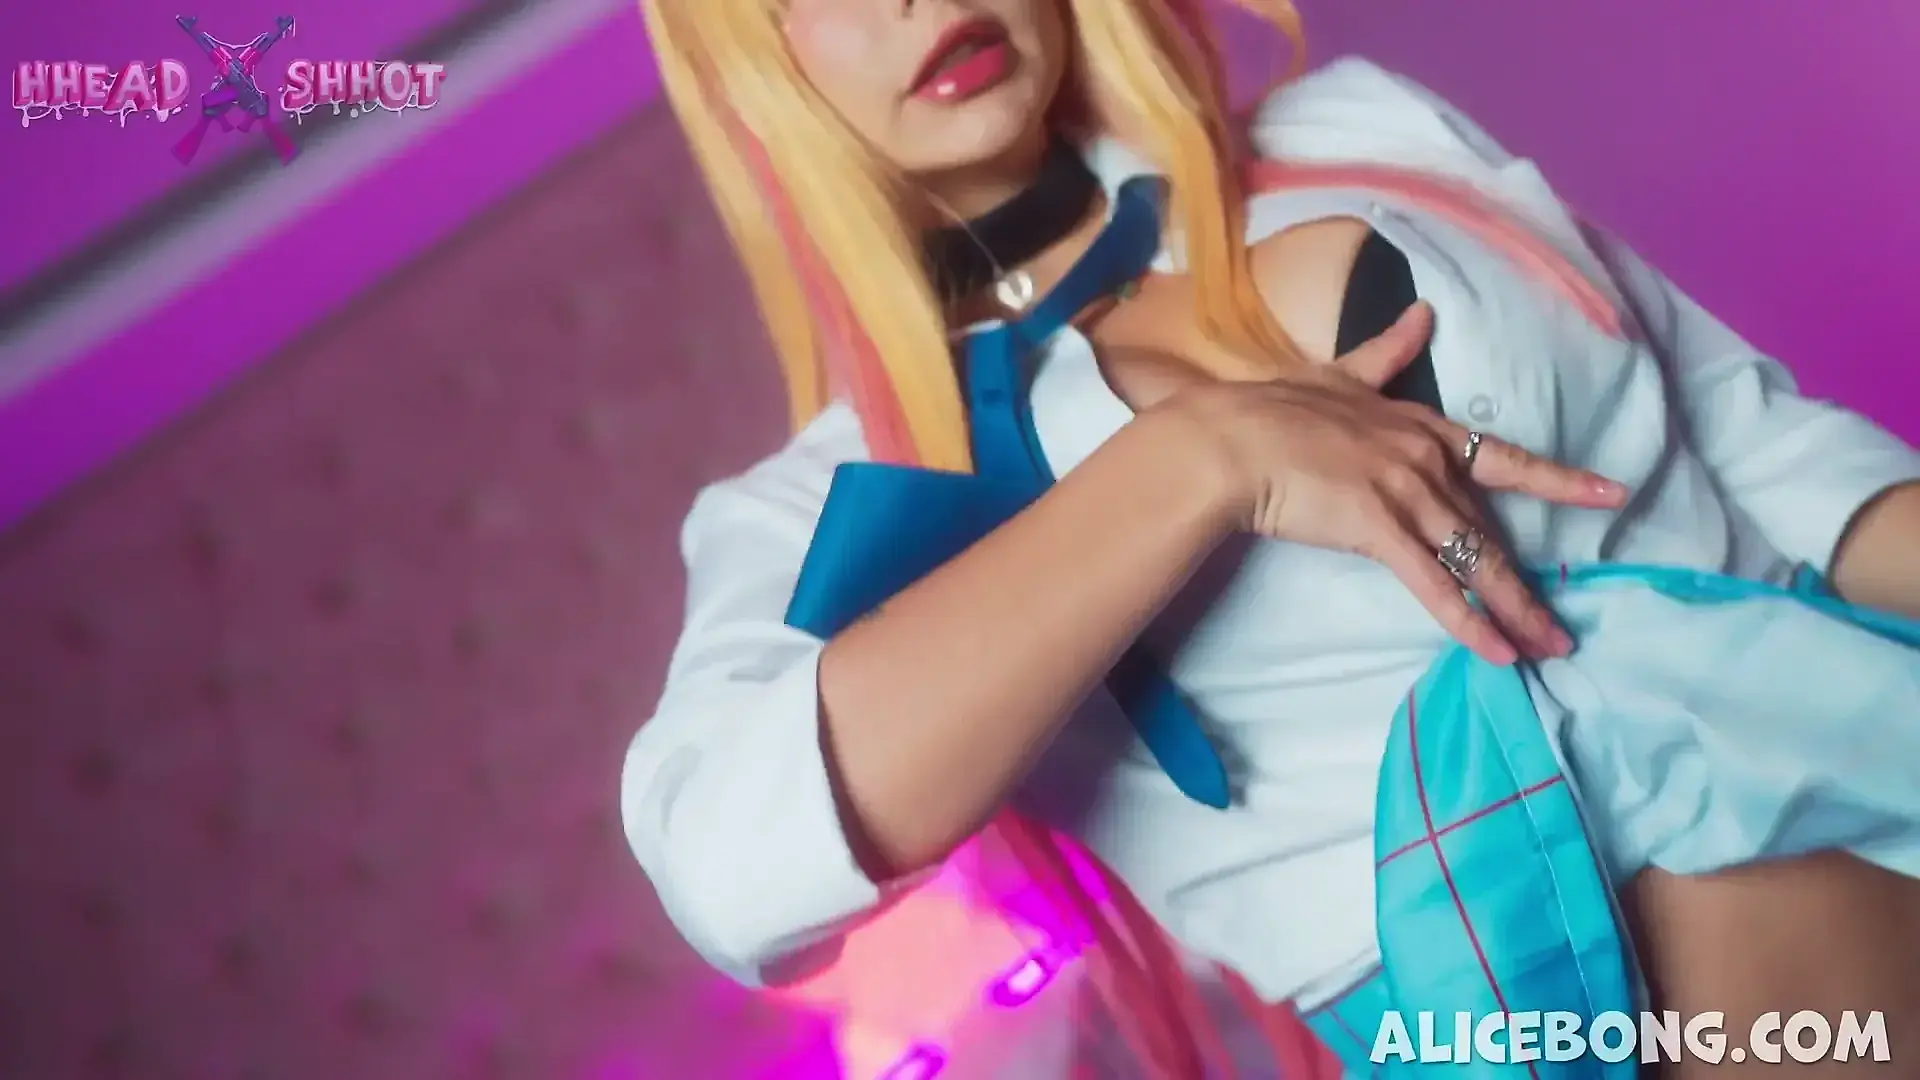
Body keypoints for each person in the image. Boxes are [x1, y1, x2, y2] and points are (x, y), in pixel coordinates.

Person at [622, 0, 1920, 1074]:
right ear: (743, 61)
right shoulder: (827, 501)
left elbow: (1764, 454)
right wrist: (1199, 461)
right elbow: (733, 875)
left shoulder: (1356, 126)